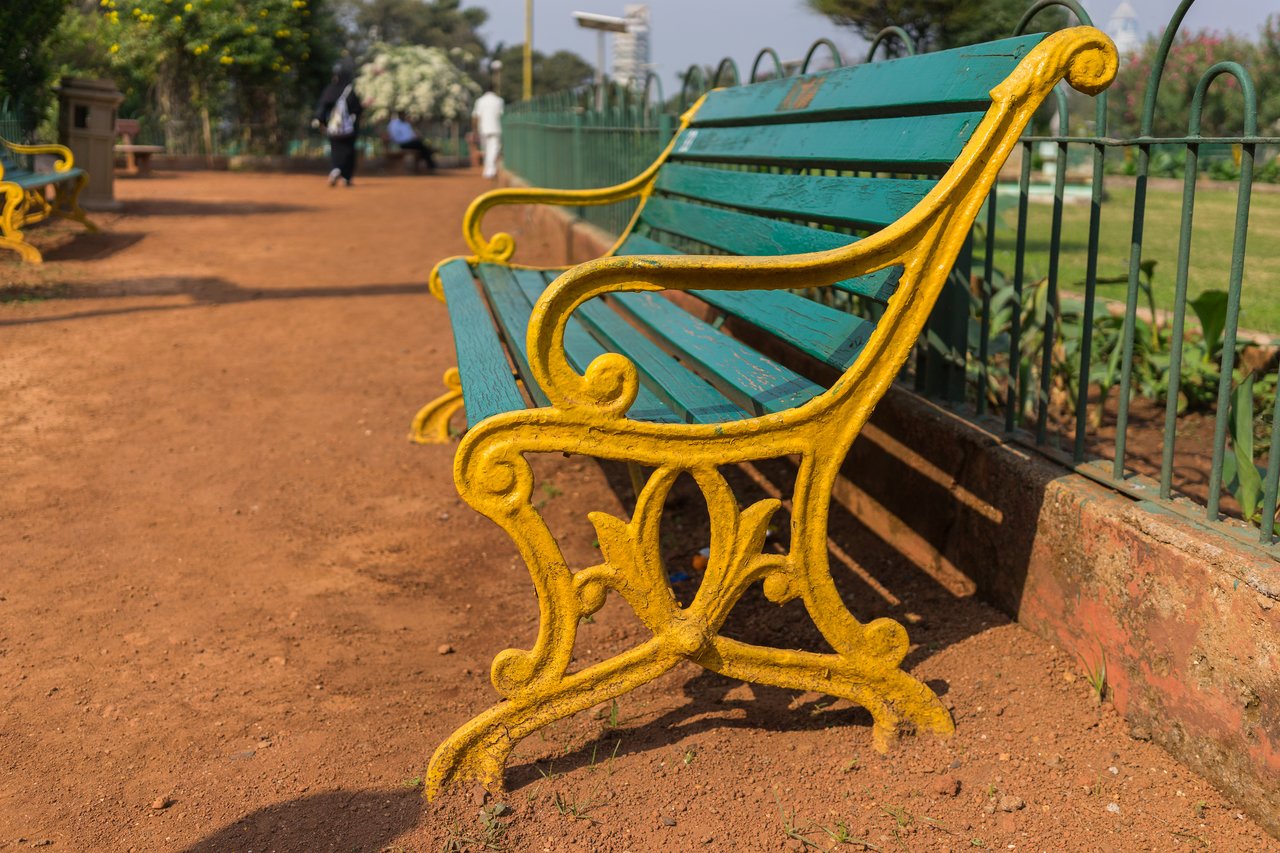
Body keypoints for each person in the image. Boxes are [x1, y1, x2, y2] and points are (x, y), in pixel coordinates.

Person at [314, 64, 363, 187]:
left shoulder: (330, 90)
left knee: (336, 151)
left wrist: (322, 123)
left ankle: (335, 169)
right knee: (348, 152)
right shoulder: (349, 90)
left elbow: (322, 107)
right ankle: (346, 177)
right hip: (348, 129)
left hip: (333, 128)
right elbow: (356, 109)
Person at [471, 87, 504, 179]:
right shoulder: (499, 101)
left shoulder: (480, 101)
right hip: (496, 128)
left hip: (483, 128)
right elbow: (501, 114)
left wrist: (474, 130)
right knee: (493, 149)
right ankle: (491, 169)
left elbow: (476, 116)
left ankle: (488, 169)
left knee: (487, 149)